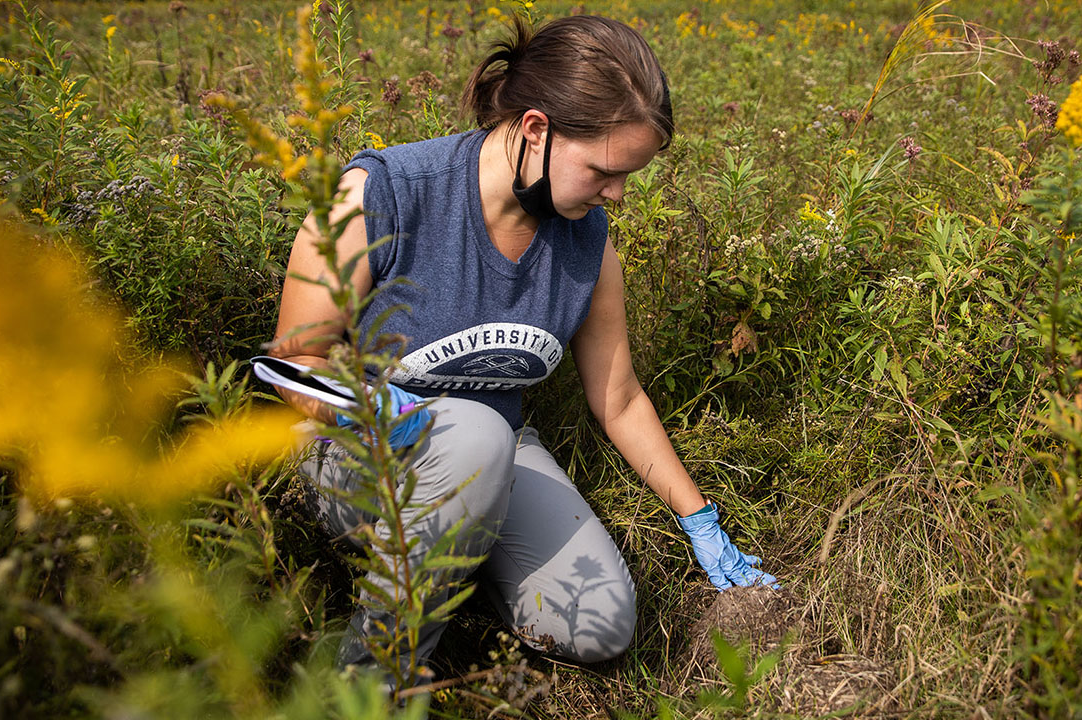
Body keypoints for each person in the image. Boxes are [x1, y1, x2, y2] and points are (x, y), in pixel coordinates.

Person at [268, 15, 777, 678]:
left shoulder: (586, 242)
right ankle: (370, 686)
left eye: (628, 175)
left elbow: (618, 399)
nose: (616, 195)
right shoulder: (383, 196)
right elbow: (292, 363)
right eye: (602, 170)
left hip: (490, 459)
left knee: (598, 623)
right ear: (536, 129)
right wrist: (375, 411)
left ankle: (457, 555)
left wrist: (702, 523)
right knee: (478, 435)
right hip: (354, 452)